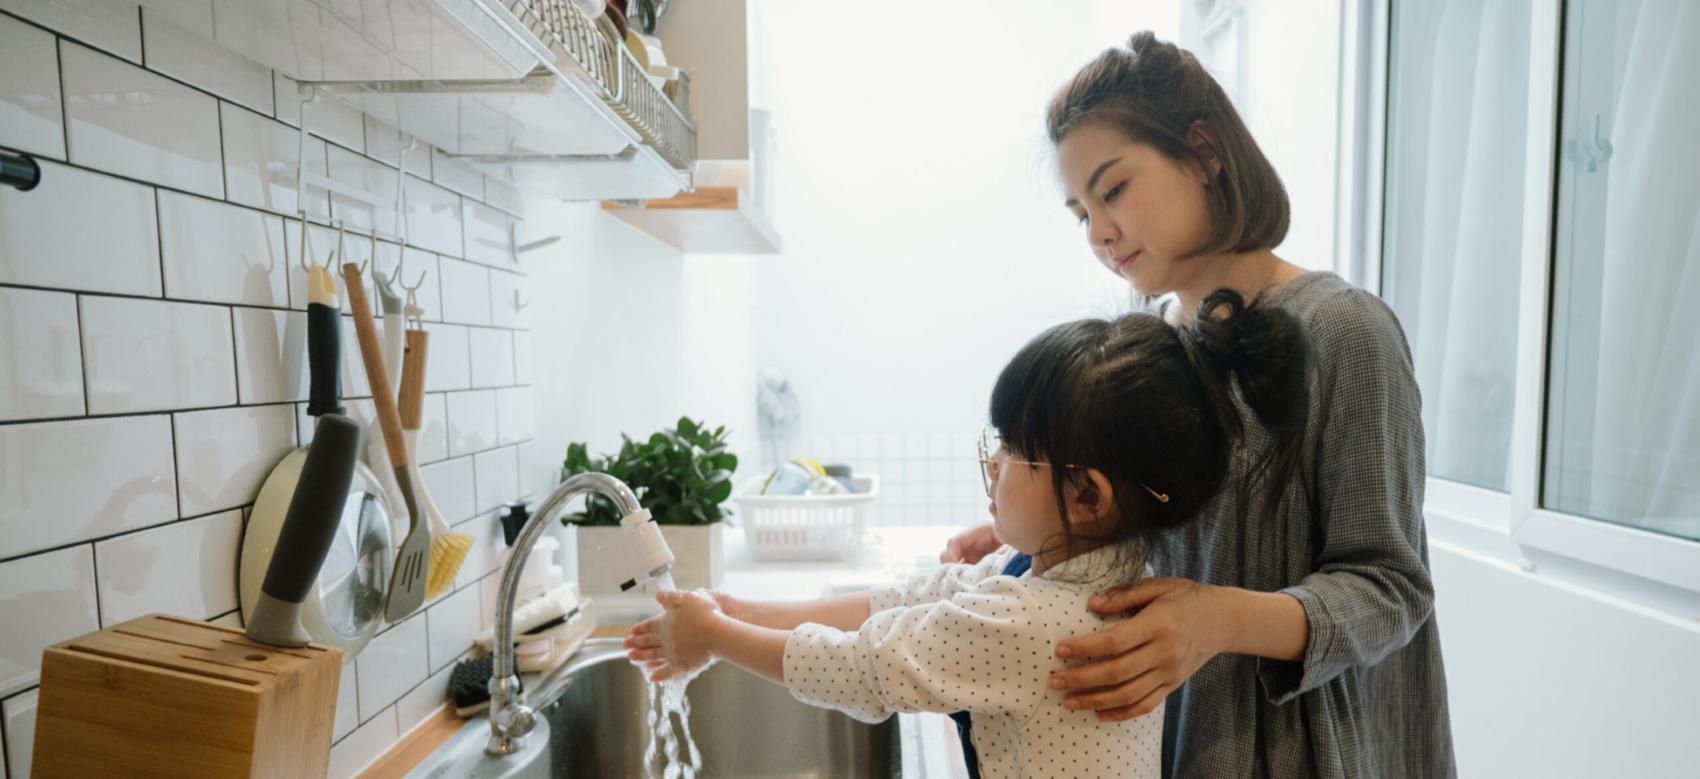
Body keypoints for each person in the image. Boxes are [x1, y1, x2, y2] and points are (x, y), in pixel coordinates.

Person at [940, 30, 1455, 777]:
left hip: (1305, 751)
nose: (1100, 232)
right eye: (1080, 212)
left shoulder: (1345, 330)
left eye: (1113, 189)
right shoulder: (1146, 337)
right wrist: (1042, 520)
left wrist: (1215, 617)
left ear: (1206, 150)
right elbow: (1134, 517)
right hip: (1166, 738)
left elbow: (1390, 588)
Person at [626, 291, 1312, 779]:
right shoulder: (1079, 566)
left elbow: (863, 669)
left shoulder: (1037, 622)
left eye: (1013, 446)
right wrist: (739, 612)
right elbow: (911, 600)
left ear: (1086, 493)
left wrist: (715, 638)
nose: (992, 458)